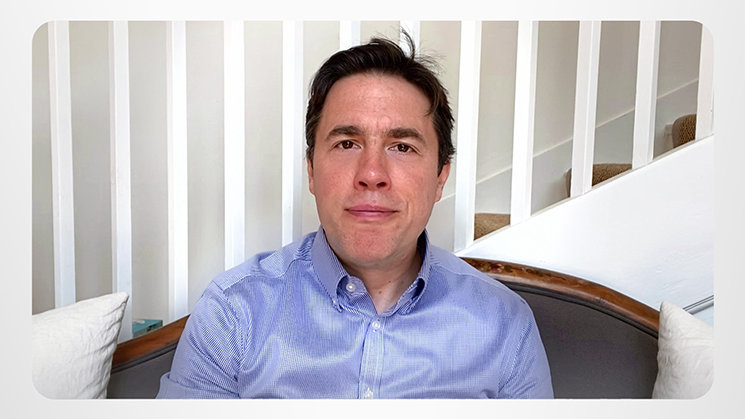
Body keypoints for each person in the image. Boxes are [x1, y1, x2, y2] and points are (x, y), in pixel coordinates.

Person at [157, 32, 553, 399]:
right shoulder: (232, 314)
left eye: (402, 147)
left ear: (440, 178)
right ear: (312, 171)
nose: (372, 174)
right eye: (347, 143)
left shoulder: (505, 325)